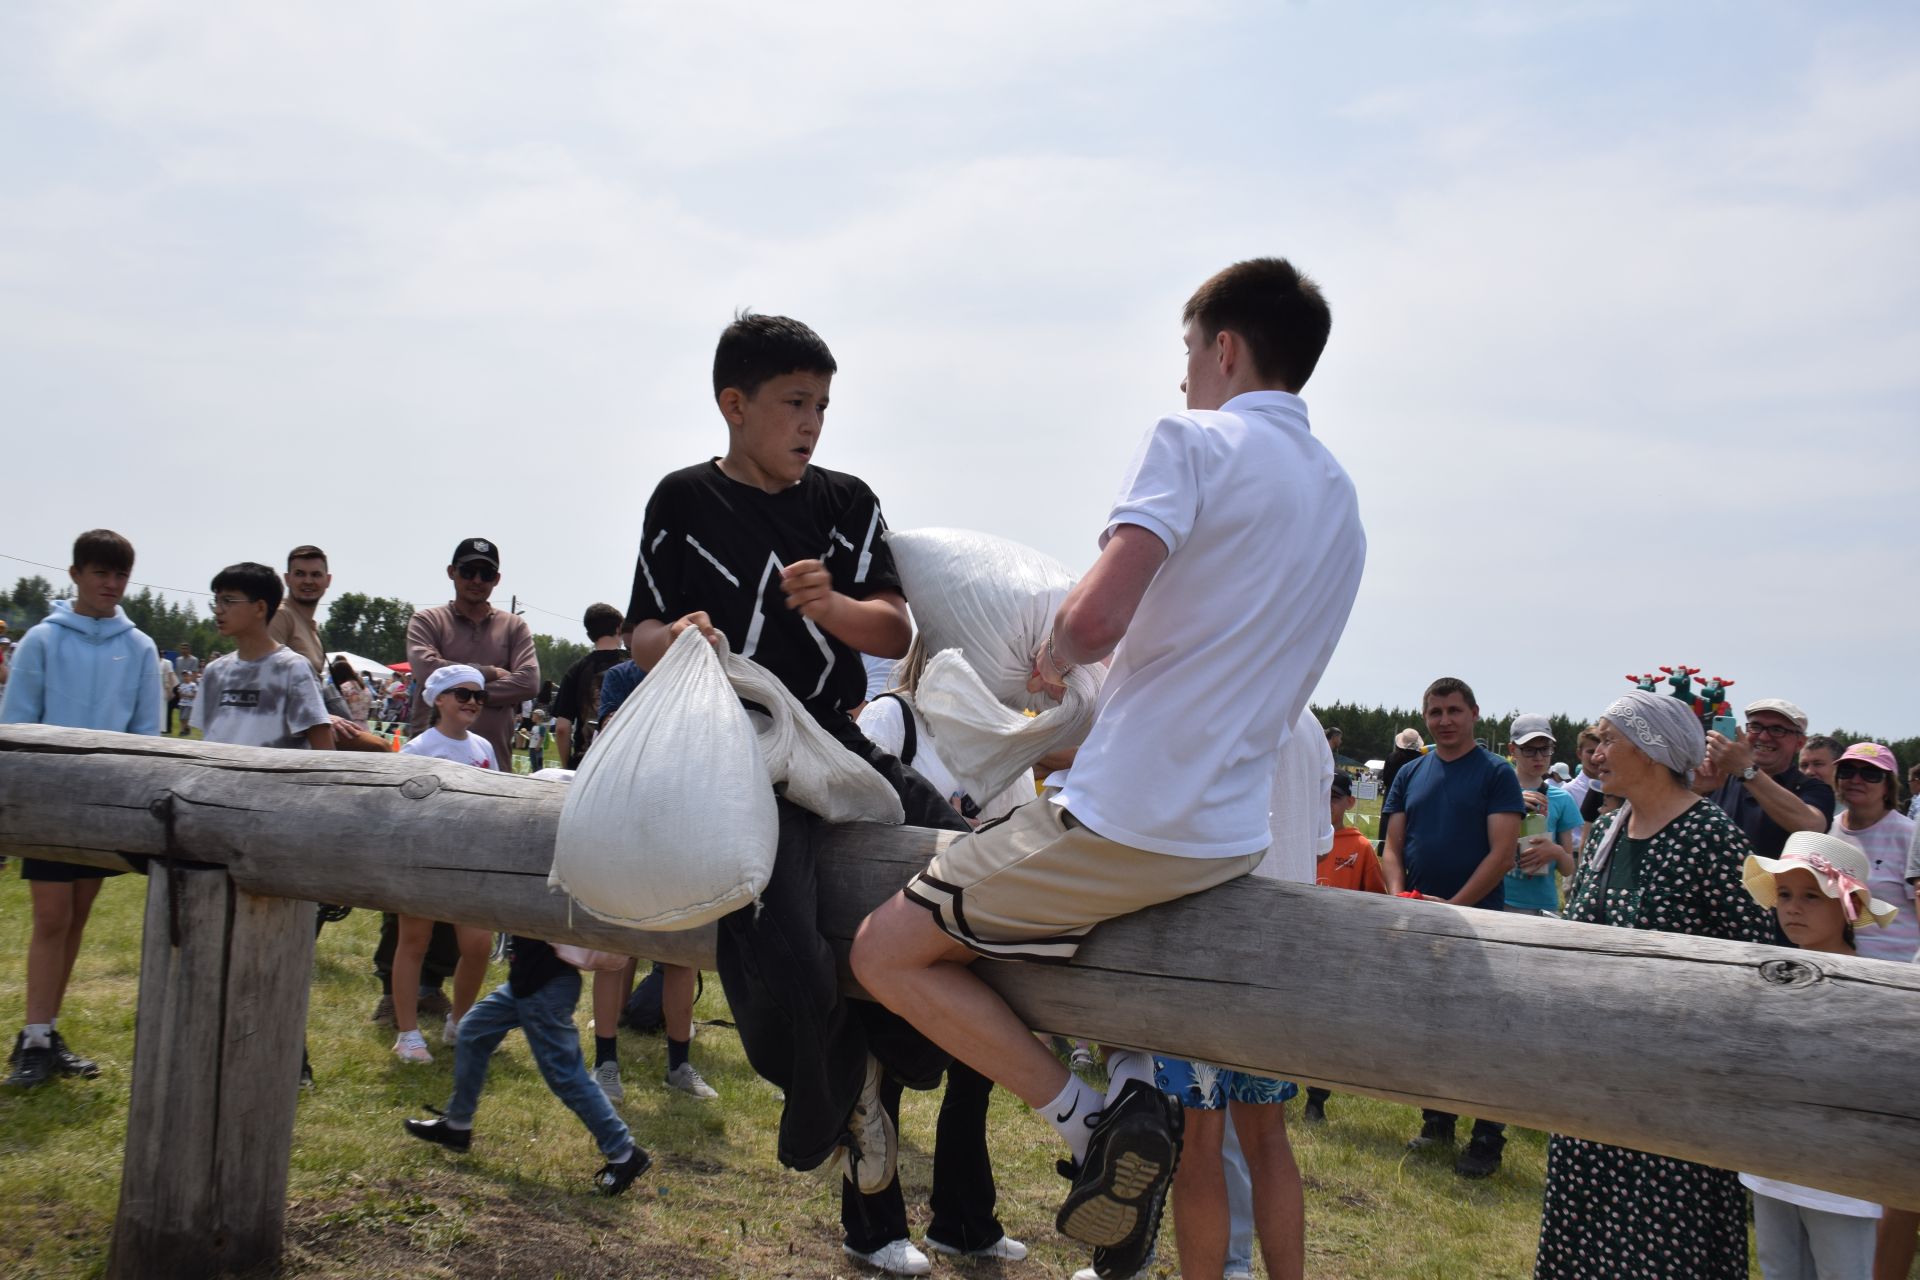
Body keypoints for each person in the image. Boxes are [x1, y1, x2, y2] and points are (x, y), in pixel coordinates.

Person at [852, 257, 1365, 1280]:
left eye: (1188, 351)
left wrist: (1054, 654)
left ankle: (1093, 1125)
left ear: (1224, 347)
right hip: (1232, 838)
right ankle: (1118, 1098)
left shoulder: (1192, 441)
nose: (1182, 377)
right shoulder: (1342, 500)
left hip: (1124, 818)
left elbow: (1094, 616)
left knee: (884, 949)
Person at [623, 311, 976, 1277]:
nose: (812, 421)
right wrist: (677, 640)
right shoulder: (682, 500)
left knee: (965, 869)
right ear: (733, 405)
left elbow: (895, 632)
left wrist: (831, 606)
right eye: (793, 403)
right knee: (779, 937)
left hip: (839, 744)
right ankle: (843, 1093)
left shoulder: (849, 500)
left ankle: (889, 1061)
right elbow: (641, 632)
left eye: (822, 404)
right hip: (731, 750)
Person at [1535, 690, 1776, 1280]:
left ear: (1653, 750)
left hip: (1672, 1098)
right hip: (1593, 1088)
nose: (1595, 756)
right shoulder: (1612, 830)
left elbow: (1759, 963)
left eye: (1609, 739)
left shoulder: (1709, 838)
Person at [851, 636, 1031, 1268]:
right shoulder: (892, 717)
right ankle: (872, 1230)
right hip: (893, 929)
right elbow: (854, 812)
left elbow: (1024, 826)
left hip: (973, 932)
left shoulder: (1008, 739)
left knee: (975, 1079)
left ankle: (964, 1221)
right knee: (879, 1081)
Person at [1, 529, 163, 1089]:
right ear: (75, 575)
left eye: (119, 575)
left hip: (104, 803)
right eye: (100, 573)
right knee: (51, 918)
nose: (110, 585)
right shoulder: (42, 641)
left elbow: (148, 731)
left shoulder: (140, 646)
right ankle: (34, 1035)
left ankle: (48, 1030)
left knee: (76, 917)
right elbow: (16, 721)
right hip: (47, 801)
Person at [381, 538, 538, 1026]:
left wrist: (465, 683)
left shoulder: (513, 625)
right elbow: (426, 669)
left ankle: (435, 986)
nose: (476, 580)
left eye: (486, 573)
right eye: (468, 570)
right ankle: (394, 989)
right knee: (409, 885)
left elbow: (531, 682)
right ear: (452, 572)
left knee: (472, 885)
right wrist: (494, 676)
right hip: (427, 774)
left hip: (488, 768)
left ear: (497, 579)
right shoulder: (428, 620)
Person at [1379, 676, 1525, 1177]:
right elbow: (1391, 846)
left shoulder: (1496, 773)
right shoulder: (1411, 773)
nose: (1444, 721)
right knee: (1432, 1025)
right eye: (1435, 712)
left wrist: (1454, 909)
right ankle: (1437, 1119)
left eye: (1454, 711)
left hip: (1480, 923)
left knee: (1485, 1035)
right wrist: (1403, 901)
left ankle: (1487, 1137)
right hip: (1422, 920)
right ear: (1425, 718)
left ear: (1475, 714)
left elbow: (1502, 854)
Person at [1739, 831, 1894, 1280]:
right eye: (1784, 894)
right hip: (1772, 1160)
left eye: (1812, 895)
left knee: (1843, 1269)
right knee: (1778, 1266)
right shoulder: (1768, 974)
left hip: (1841, 1172)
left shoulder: (1873, 986)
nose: (1792, 907)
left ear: (1848, 909)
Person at [402, 937, 652, 1199]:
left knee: (564, 1075)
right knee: (474, 1030)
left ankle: (624, 1152)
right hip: (525, 980)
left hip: (544, 984)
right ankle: (457, 1125)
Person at [585, 651, 714, 1109]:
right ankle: (605, 1061)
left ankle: (678, 1065)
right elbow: (615, 731)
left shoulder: (710, 677)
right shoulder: (624, 675)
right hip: (627, 822)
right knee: (615, 951)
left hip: (684, 825)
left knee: (681, 954)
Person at [391, 665, 498, 1063]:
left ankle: (460, 1020)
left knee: (478, 945)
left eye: (478, 696)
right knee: (414, 943)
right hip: (423, 861)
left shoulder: (484, 749)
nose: (472, 702)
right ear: (439, 700)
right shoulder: (418, 749)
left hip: (472, 862)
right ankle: (407, 1034)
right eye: (463, 694)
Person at [1302, 771, 1387, 1125]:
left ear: (1350, 802)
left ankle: (1316, 1098)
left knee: (1325, 1025)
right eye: (1321, 797)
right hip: (1301, 942)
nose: (1326, 805)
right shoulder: (1301, 837)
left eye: (1334, 798)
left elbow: (1376, 900)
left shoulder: (1360, 847)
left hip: (1338, 952)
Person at [1824, 742, 1916, 965]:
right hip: (1833, 966)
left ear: (1888, 786)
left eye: (1871, 773)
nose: (1856, 779)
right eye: (1847, 771)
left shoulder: (1910, 835)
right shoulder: (1826, 830)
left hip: (1897, 970)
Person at [1502, 713, 1583, 917]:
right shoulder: (1496, 793)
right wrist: (1511, 807)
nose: (1538, 757)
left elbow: (1567, 868)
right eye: (1529, 750)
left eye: (1545, 749)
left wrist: (1554, 851)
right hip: (1499, 900)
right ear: (1513, 750)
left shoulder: (1562, 799)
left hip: (1542, 906)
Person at [552, 603, 627, 769]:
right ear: (619, 628)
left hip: (584, 763)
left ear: (589, 635)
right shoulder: (633, 666)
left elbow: (563, 728)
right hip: (624, 762)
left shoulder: (576, 670)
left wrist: (567, 767)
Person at [1562, 724, 1603, 811]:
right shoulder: (1568, 792)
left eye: (1601, 752)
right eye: (1591, 752)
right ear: (1579, 753)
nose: (1596, 757)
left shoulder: (1616, 790)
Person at [1379, 726, 1423, 795]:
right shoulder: (1422, 759)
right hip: (1413, 796)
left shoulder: (1392, 757)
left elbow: (1386, 780)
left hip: (1392, 794)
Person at [174, 669, 198, 736]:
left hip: (189, 704)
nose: (185, 677)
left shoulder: (193, 685)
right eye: (184, 676)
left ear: (190, 676)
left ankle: (184, 730)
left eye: (187, 676)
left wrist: (188, 695)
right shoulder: (182, 685)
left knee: (185, 717)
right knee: (181, 718)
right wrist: (181, 694)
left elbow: (194, 695)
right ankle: (184, 730)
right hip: (182, 703)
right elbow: (180, 695)